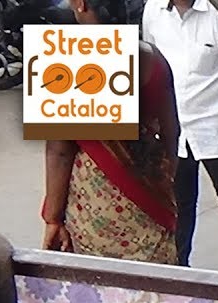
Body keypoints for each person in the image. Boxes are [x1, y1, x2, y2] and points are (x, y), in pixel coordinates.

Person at [40, 0, 180, 264]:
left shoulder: (65, 61)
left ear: (80, 4)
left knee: (103, 288)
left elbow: (59, 152)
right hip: (151, 193)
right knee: (156, 289)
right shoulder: (152, 56)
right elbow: (172, 135)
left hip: (96, 206)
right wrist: (160, 180)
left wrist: (53, 218)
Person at [142, 0, 218, 275]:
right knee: (179, 205)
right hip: (172, 130)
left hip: (215, 130)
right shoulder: (154, 11)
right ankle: (178, 271)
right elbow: (152, 66)